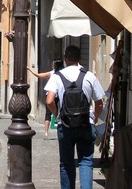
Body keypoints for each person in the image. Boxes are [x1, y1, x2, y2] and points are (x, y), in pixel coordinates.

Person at [45, 45, 104, 189]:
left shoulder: (57, 77)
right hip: (85, 124)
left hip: (65, 125)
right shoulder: (89, 76)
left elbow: (49, 101)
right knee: (85, 162)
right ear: (80, 59)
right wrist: (94, 117)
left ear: (65, 59)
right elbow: (99, 103)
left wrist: (57, 114)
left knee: (66, 163)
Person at [28, 58, 64, 138]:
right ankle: (60, 130)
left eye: (53, 64)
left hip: (51, 95)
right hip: (60, 96)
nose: (51, 65)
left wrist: (30, 70)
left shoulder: (52, 73)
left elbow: (39, 75)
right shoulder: (64, 73)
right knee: (61, 113)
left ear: (55, 65)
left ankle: (46, 132)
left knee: (48, 114)